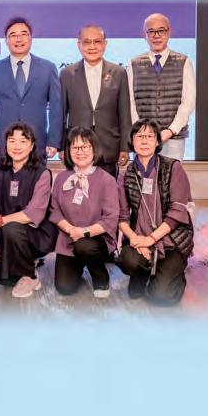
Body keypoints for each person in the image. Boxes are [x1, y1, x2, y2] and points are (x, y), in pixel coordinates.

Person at [117, 118, 194, 305]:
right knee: (127, 260)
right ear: (132, 141)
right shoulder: (126, 174)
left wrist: (150, 240)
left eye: (150, 136)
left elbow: (177, 212)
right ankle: (142, 272)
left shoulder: (173, 167)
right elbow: (122, 217)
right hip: (140, 237)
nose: (144, 140)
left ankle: (173, 274)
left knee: (161, 297)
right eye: (139, 136)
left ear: (157, 141)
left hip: (171, 239)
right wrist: (136, 239)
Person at [0, 122, 57, 298]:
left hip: (38, 235)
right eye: (12, 141)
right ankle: (28, 265)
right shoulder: (0, 173)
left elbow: (33, 214)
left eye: (23, 141)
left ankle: (30, 276)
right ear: (6, 144)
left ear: (31, 146)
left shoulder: (42, 173)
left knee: (11, 227)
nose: (16, 146)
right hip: (9, 236)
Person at [50, 127, 119, 298]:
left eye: (85, 146)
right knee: (64, 287)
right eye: (75, 147)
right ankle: (80, 264)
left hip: (95, 240)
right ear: (68, 151)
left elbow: (110, 219)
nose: (80, 152)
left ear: (94, 148)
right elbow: (54, 211)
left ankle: (101, 277)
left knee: (84, 246)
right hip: (68, 239)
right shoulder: (61, 178)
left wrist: (83, 233)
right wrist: (71, 230)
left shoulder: (107, 180)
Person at [0, 17, 62, 161]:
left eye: (23, 34)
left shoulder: (48, 68)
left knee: (39, 177)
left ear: (31, 38)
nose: (18, 39)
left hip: (38, 143)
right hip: (4, 145)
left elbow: (56, 109)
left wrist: (54, 140)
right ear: (6, 41)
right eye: (13, 35)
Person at [60, 24, 131, 177]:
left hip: (109, 147)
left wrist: (125, 147)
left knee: (108, 190)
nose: (92, 47)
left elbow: (125, 113)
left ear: (105, 44)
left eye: (97, 41)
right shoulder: (67, 74)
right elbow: (61, 114)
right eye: (86, 42)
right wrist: (61, 146)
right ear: (79, 45)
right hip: (77, 147)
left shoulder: (119, 73)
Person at [127, 13, 196, 160]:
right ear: (144, 35)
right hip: (143, 138)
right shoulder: (134, 64)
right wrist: (141, 131)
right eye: (151, 31)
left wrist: (171, 130)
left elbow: (188, 102)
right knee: (143, 174)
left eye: (161, 30)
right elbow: (129, 102)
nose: (156, 35)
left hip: (174, 138)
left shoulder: (184, 62)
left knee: (172, 174)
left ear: (169, 32)